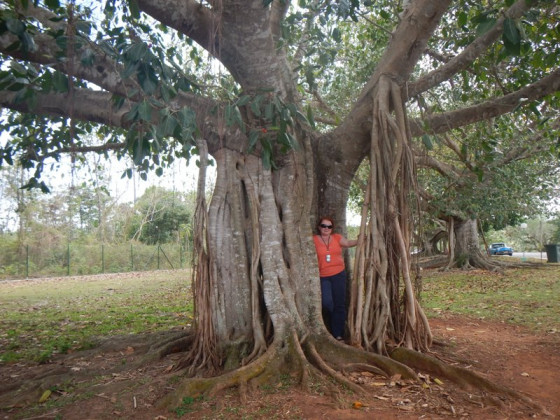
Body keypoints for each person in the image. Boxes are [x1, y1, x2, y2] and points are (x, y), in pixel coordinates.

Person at [313, 216, 358, 341]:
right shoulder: (314, 240)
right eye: (323, 226)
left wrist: (361, 240)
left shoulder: (337, 238)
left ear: (332, 228)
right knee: (327, 303)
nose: (326, 228)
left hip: (339, 274)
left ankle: (337, 334)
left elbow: (348, 243)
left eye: (329, 226)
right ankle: (333, 320)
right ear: (319, 227)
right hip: (323, 277)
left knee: (340, 304)